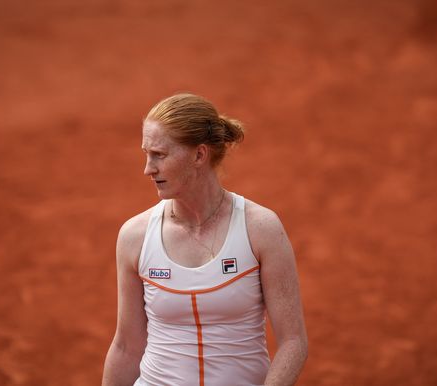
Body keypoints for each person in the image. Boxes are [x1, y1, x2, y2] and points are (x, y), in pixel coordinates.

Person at [102, 93, 307, 386]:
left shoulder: (261, 229)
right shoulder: (135, 236)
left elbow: (293, 341)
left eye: (159, 154)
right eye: (146, 154)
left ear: (199, 155)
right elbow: (126, 347)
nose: (148, 168)